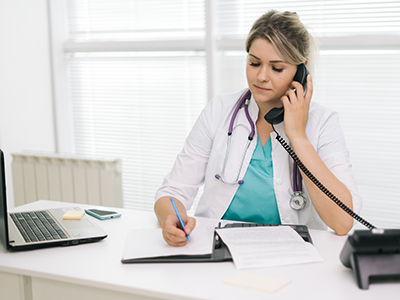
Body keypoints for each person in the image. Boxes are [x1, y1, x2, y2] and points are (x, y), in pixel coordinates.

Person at [154, 10, 362, 246]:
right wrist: (171, 218)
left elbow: (342, 221)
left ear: (301, 70)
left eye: (277, 68)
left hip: (293, 253)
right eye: (254, 63)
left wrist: (297, 136)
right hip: (219, 247)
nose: (261, 76)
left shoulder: (323, 123)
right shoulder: (218, 111)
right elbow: (173, 191)